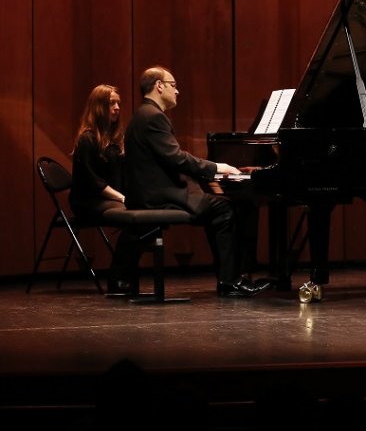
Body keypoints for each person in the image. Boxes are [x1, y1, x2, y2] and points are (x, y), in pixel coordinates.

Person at [123, 66, 266, 297]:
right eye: (173, 85)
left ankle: (228, 279)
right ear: (159, 86)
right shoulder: (154, 117)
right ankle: (229, 281)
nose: (177, 91)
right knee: (224, 209)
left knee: (218, 207)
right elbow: (176, 158)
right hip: (158, 196)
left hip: (148, 192)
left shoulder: (143, 114)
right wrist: (216, 167)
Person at [68, 84, 137, 293]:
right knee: (131, 217)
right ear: (98, 107)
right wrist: (123, 198)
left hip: (110, 198)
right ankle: (117, 278)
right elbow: (93, 182)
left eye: (118, 103)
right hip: (87, 201)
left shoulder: (117, 141)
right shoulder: (87, 140)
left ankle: (123, 274)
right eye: (111, 104)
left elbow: (123, 177)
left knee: (144, 216)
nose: (117, 108)